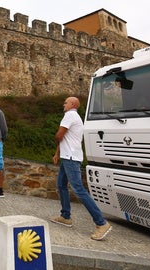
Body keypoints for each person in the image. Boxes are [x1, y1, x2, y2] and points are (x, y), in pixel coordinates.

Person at [51, 96, 112, 241]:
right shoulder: (75, 117)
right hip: (69, 157)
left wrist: (57, 142)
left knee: (78, 189)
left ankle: (101, 223)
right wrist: (57, 153)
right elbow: (64, 138)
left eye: (65, 102)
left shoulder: (70, 115)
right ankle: (65, 216)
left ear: (72, 104)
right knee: (61, 184)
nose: (63, 104)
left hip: (71, 158)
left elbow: (59, 135)